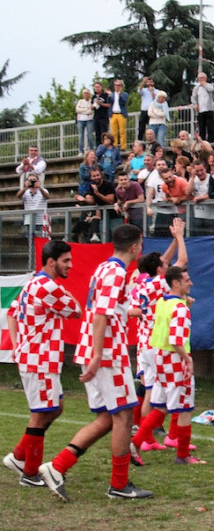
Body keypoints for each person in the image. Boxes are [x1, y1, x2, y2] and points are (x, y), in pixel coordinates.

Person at [39, 225, 152, 502]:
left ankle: (57, 466)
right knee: (124, 416)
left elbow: (112, 310)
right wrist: (98, 356)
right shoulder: (115, 273)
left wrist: (144, 310)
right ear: (136, 247)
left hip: (95, 351)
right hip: (107, 355)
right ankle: (119, 484)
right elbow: (101, 315)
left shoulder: (104, 269)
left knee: (106, 419)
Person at [3, 240, 81, 487]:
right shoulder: (48, 287)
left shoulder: (31, 284)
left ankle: (18, 457)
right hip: (40, 360)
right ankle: (30, 473)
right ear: (51, 262)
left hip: (39, 358)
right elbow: (77, 310)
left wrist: (17, 346)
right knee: (40, 414)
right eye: (66, 261)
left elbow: (12, 314)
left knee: (55, 408)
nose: (70, 265)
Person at [130, 265, 203, 465]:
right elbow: (176, 339)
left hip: (160, 357)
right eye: (187, 280)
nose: (191, 283)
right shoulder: (179, 307)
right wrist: (188, 360)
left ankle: (135, 443)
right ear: (176, 283)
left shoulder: (162, 301)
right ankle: (182, 455)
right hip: (175, 358)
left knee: (160, 405)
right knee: (185, 407)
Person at [186, 159, 214, 236]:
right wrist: (192, 177)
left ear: (205, 168)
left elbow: (213, 194)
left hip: (211, 216)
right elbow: (187, 192)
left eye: (201, 170)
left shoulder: (212, 178)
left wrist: (199, 198)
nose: (200, 173)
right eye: (197, 171)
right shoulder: (194, 179)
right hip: (198, 215)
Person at [16, 173, 48, 237]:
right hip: (29, 220)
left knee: (41, 239)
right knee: (30, 239)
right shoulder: (25, 192)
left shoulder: (43, 190)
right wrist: (25, 187)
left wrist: (40, 188)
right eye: (30, 180)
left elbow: (47, 196)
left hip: (41, 220)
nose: (32, 182)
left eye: (34, 180)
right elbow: (18, 196)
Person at [191, 72, 214, 143]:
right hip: (200, 111)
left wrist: (204, 84)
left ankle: (211, 140)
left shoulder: (209, 85)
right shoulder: (196, 88)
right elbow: (193, 97)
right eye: (199, 78)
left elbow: (211, 89)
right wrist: (195, 104)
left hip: (209, 109)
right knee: (202, 127)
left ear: (205, 78)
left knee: (210, 126)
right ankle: (202, 141)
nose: (201, 80)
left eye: (202, 78)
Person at [106, 79, 129, 150]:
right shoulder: (112, 94)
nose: (116, 87)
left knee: (122, 131)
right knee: (113, 132)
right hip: (113, 114)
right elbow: (109, 102)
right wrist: (109, 95)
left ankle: (123, 147)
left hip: (121, 114)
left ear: (121, 86)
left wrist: (119, 96)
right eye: (115, 85)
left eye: (118, 85)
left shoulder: (124, 94)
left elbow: (123, 102)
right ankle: (114, 146)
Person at [76, 88, 96, 155]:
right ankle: (80, 151)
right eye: (84, 93)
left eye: (87, 93)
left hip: (89, 120)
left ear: (89, 94)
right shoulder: (80, 101)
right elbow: (77, 110)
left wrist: (83, 110)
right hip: (80, 120)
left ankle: (91, 150)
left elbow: (91, 111)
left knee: (90, 135)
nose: (86, 94)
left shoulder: (91, 101)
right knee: (80, 136)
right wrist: (86, 110)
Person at [137, 76, 156, 142]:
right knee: (141, 127)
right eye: (148, 81)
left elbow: (156, 100)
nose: (149, 83)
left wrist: (152, 92)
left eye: (151, 81)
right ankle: (140, 141)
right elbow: (139, 90)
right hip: (144, 110)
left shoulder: (157, 91)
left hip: (152, 111)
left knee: (151, 127)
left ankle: (152, 141)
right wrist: (143, 82)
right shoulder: (144, 90)